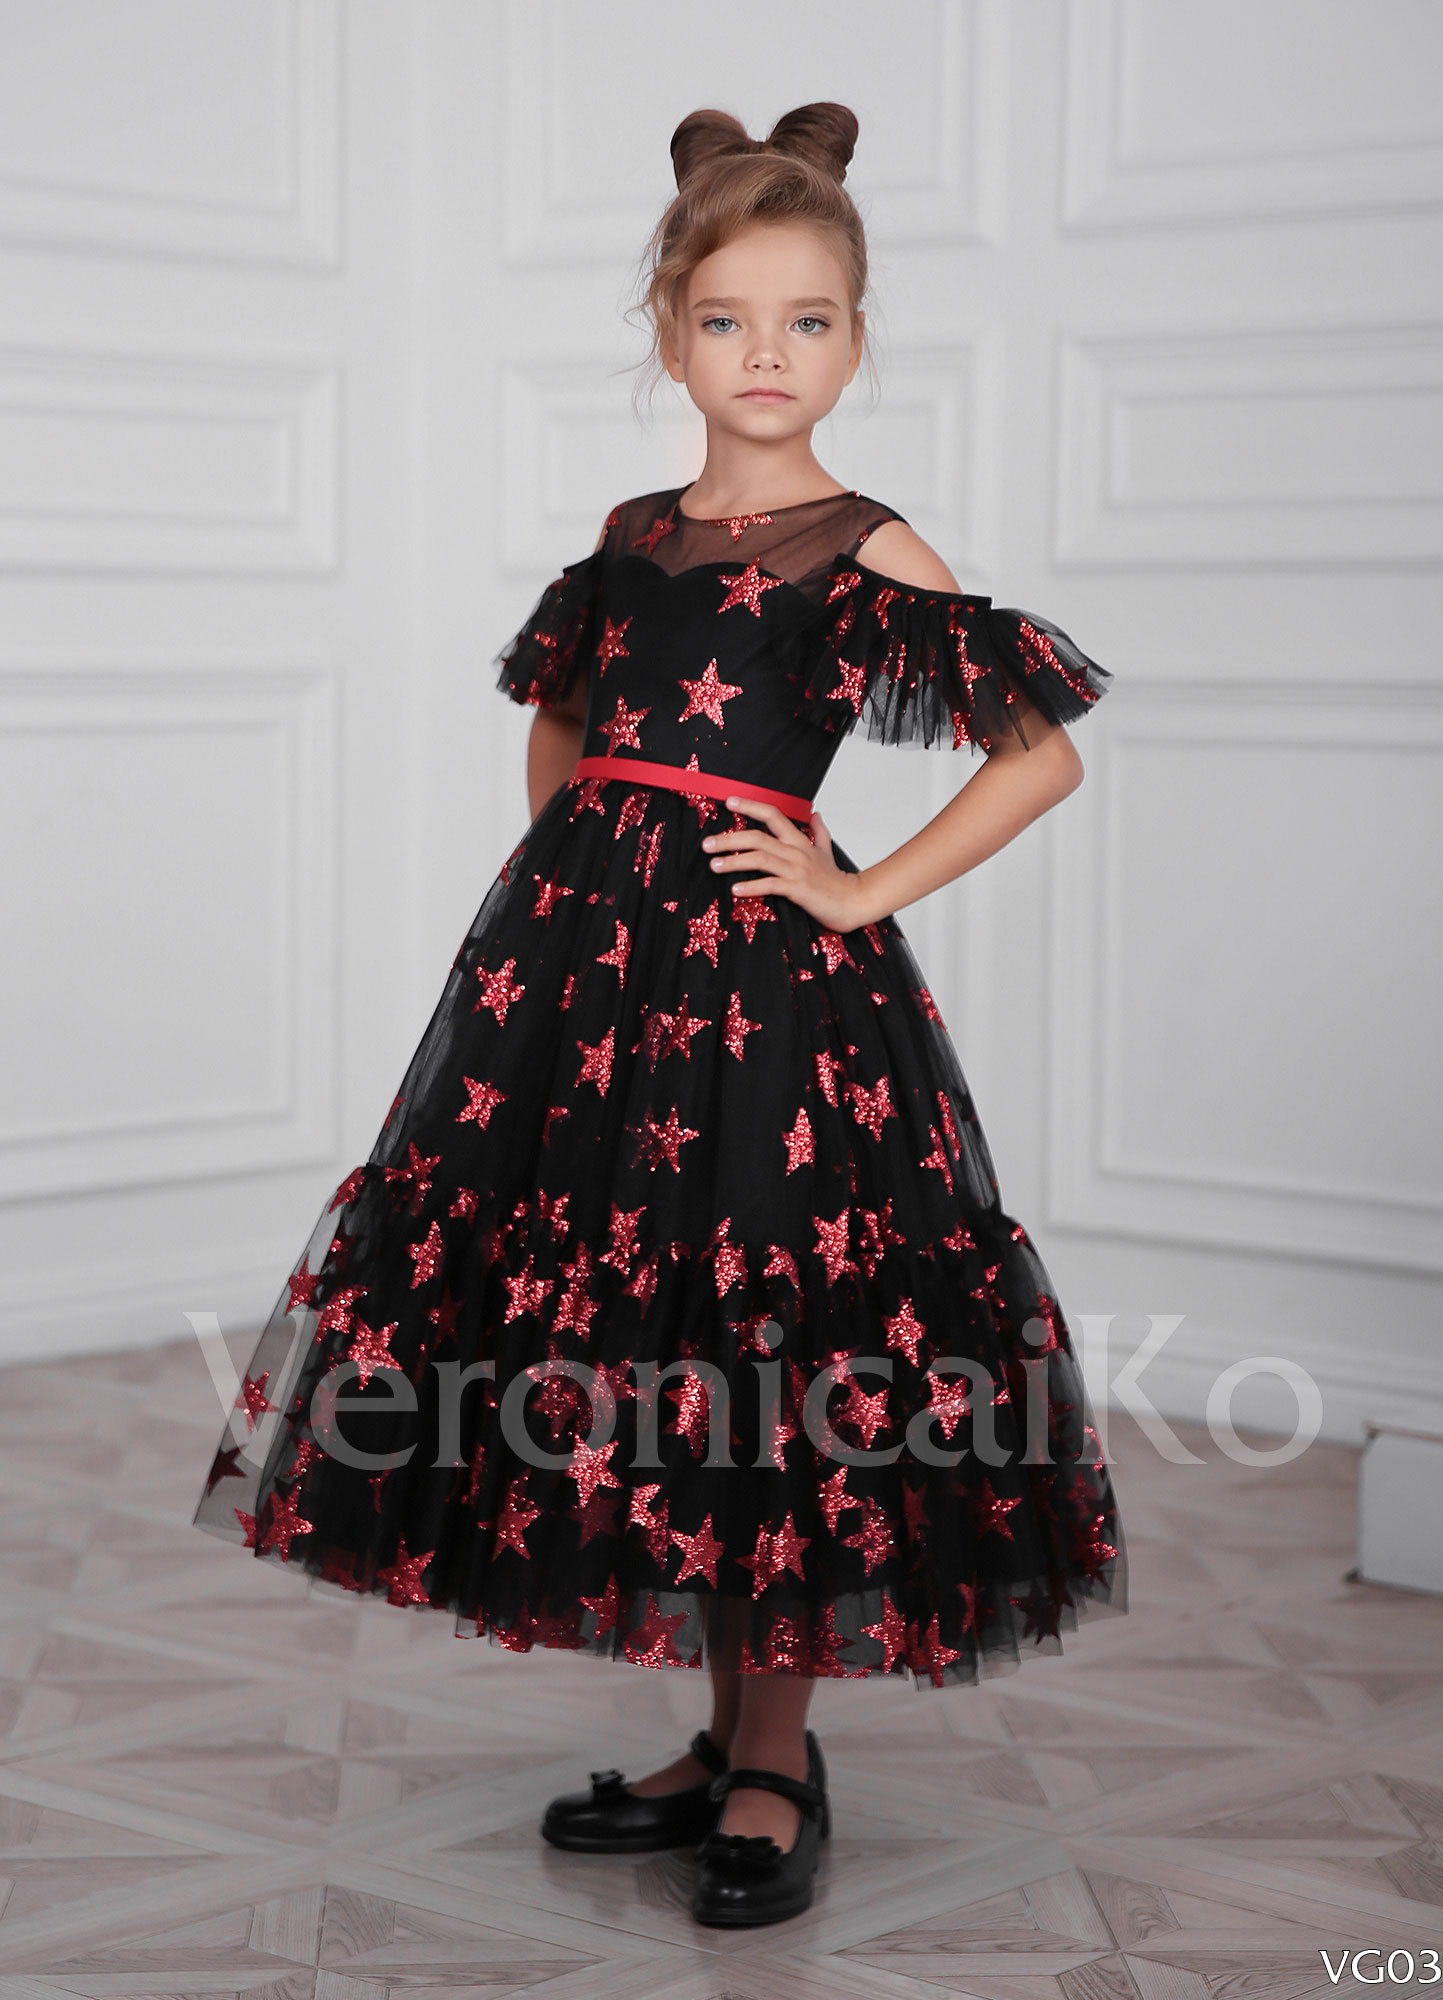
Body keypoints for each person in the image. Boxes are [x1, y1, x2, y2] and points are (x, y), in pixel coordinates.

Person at [192, 100, 1127, 1929]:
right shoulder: (628, 536)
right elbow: (565, 718)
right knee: (632, 1346)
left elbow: (1042, 755)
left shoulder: (869, 547)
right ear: (669, 334)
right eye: (728, 319)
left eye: (809, 319)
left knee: (763, 1344)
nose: (769, 353)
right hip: (592, 999)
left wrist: (853, 886)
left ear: (857, 337)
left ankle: (774, 1756)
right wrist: (570, 898)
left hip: (772, 1013)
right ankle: (716, 1736)